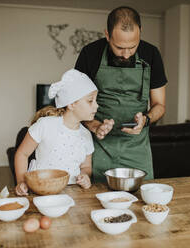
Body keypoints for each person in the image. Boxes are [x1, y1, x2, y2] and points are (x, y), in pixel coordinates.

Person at [75, 6, 167, 182]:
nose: (126, 54)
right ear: (107, 35)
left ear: (140, 33)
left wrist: (145, 120)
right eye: (119, 47)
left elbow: (159, 105)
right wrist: (95, 126)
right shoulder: (90, 54)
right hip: (98, 146)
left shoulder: (151, 54)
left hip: (137, 147)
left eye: (132, 47)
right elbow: (75, 104)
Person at [15, 69, 99, 196]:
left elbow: (86, 167)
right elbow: (22, 154)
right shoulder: (45, 125)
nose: (96, 106)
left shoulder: (86, 135)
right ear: (71, 104)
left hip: (73, 196)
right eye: (90, 101)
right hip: (39, 192)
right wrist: (21, 182)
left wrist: (85, 176)